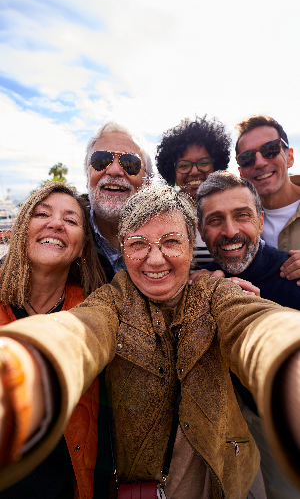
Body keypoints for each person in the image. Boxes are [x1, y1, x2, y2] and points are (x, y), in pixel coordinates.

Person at [2, 188, 300, 498]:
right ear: (123, 248)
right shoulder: (112, 300)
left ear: (190, 243)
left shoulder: (215, 292)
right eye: (139, 244)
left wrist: (287, 355)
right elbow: (80, 332)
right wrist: (22, 368)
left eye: (170, 242)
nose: (155, 259)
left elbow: (252, 324)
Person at [197, 170, 300, 499]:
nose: (229, 231)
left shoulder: (293, 276)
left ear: (260, 218)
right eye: (215, 220)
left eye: (241, 216)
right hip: (238, 418)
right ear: (201, 230)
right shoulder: (202, 280)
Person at [0, 181, 106, 499]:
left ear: (82, 245)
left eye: (71, 220)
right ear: (22, 229)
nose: (56, 223)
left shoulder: (96, 310)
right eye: (42, 214)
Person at [155, 116, 231, 266]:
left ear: (216, 166)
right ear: (173, 172)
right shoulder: (161, 212)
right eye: (184, 165)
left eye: (204, 163)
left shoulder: (233, 204)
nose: (195, 171)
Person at [84, 120, 153, 280]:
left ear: (147, 182)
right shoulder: (65, 234)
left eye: (130, 163)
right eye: (101, 160)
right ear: (87, 176)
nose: (114, 171)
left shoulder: (170, 234)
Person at [235, 115, 300, 283]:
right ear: (241, 172)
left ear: (290, 157)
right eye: (247, 158)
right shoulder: (237, 222)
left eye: (270, 149)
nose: (260, 163)